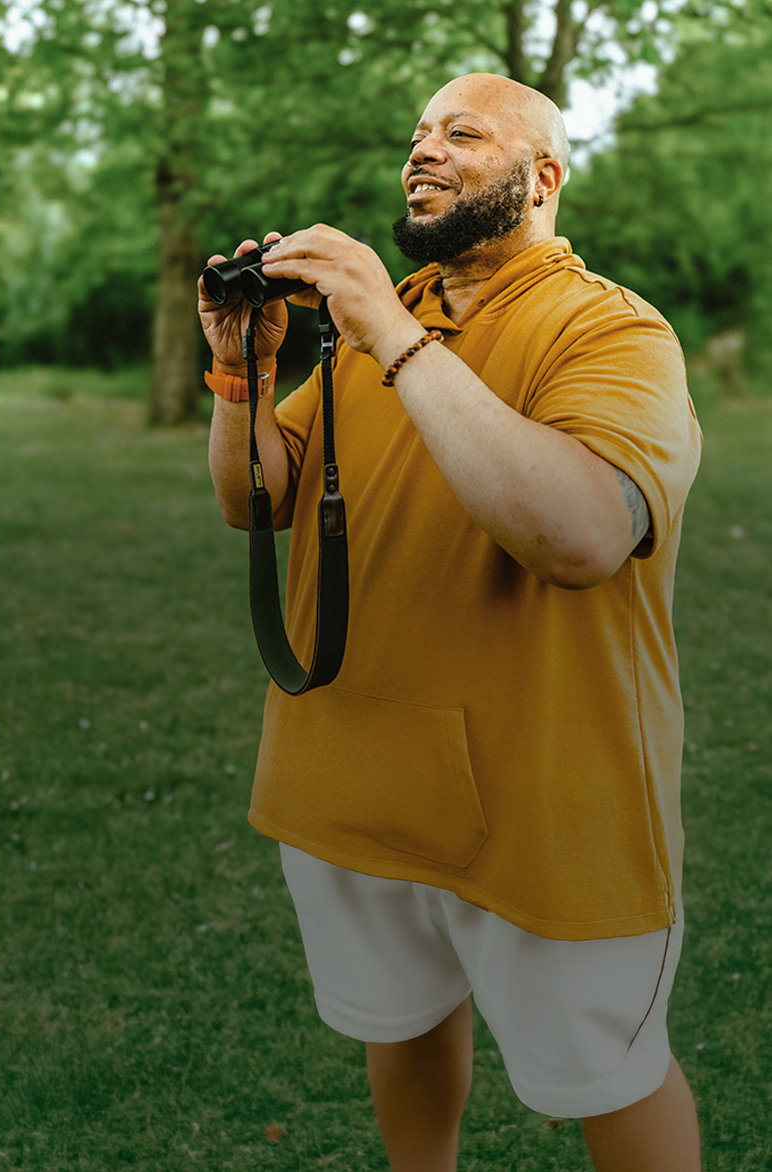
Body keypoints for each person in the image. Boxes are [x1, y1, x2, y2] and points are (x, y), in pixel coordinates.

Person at [198, 72, 703, 1172]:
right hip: (351, 779)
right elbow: (257, 498)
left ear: (543, 177)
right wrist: (241, 377)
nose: (423, 150)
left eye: (462, 133)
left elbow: (579, 537)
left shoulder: (613, 329)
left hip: (547, 801)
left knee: (611, 1071)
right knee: (402, 1020)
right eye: (418, 134)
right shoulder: (387, 325)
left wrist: (382, 323)